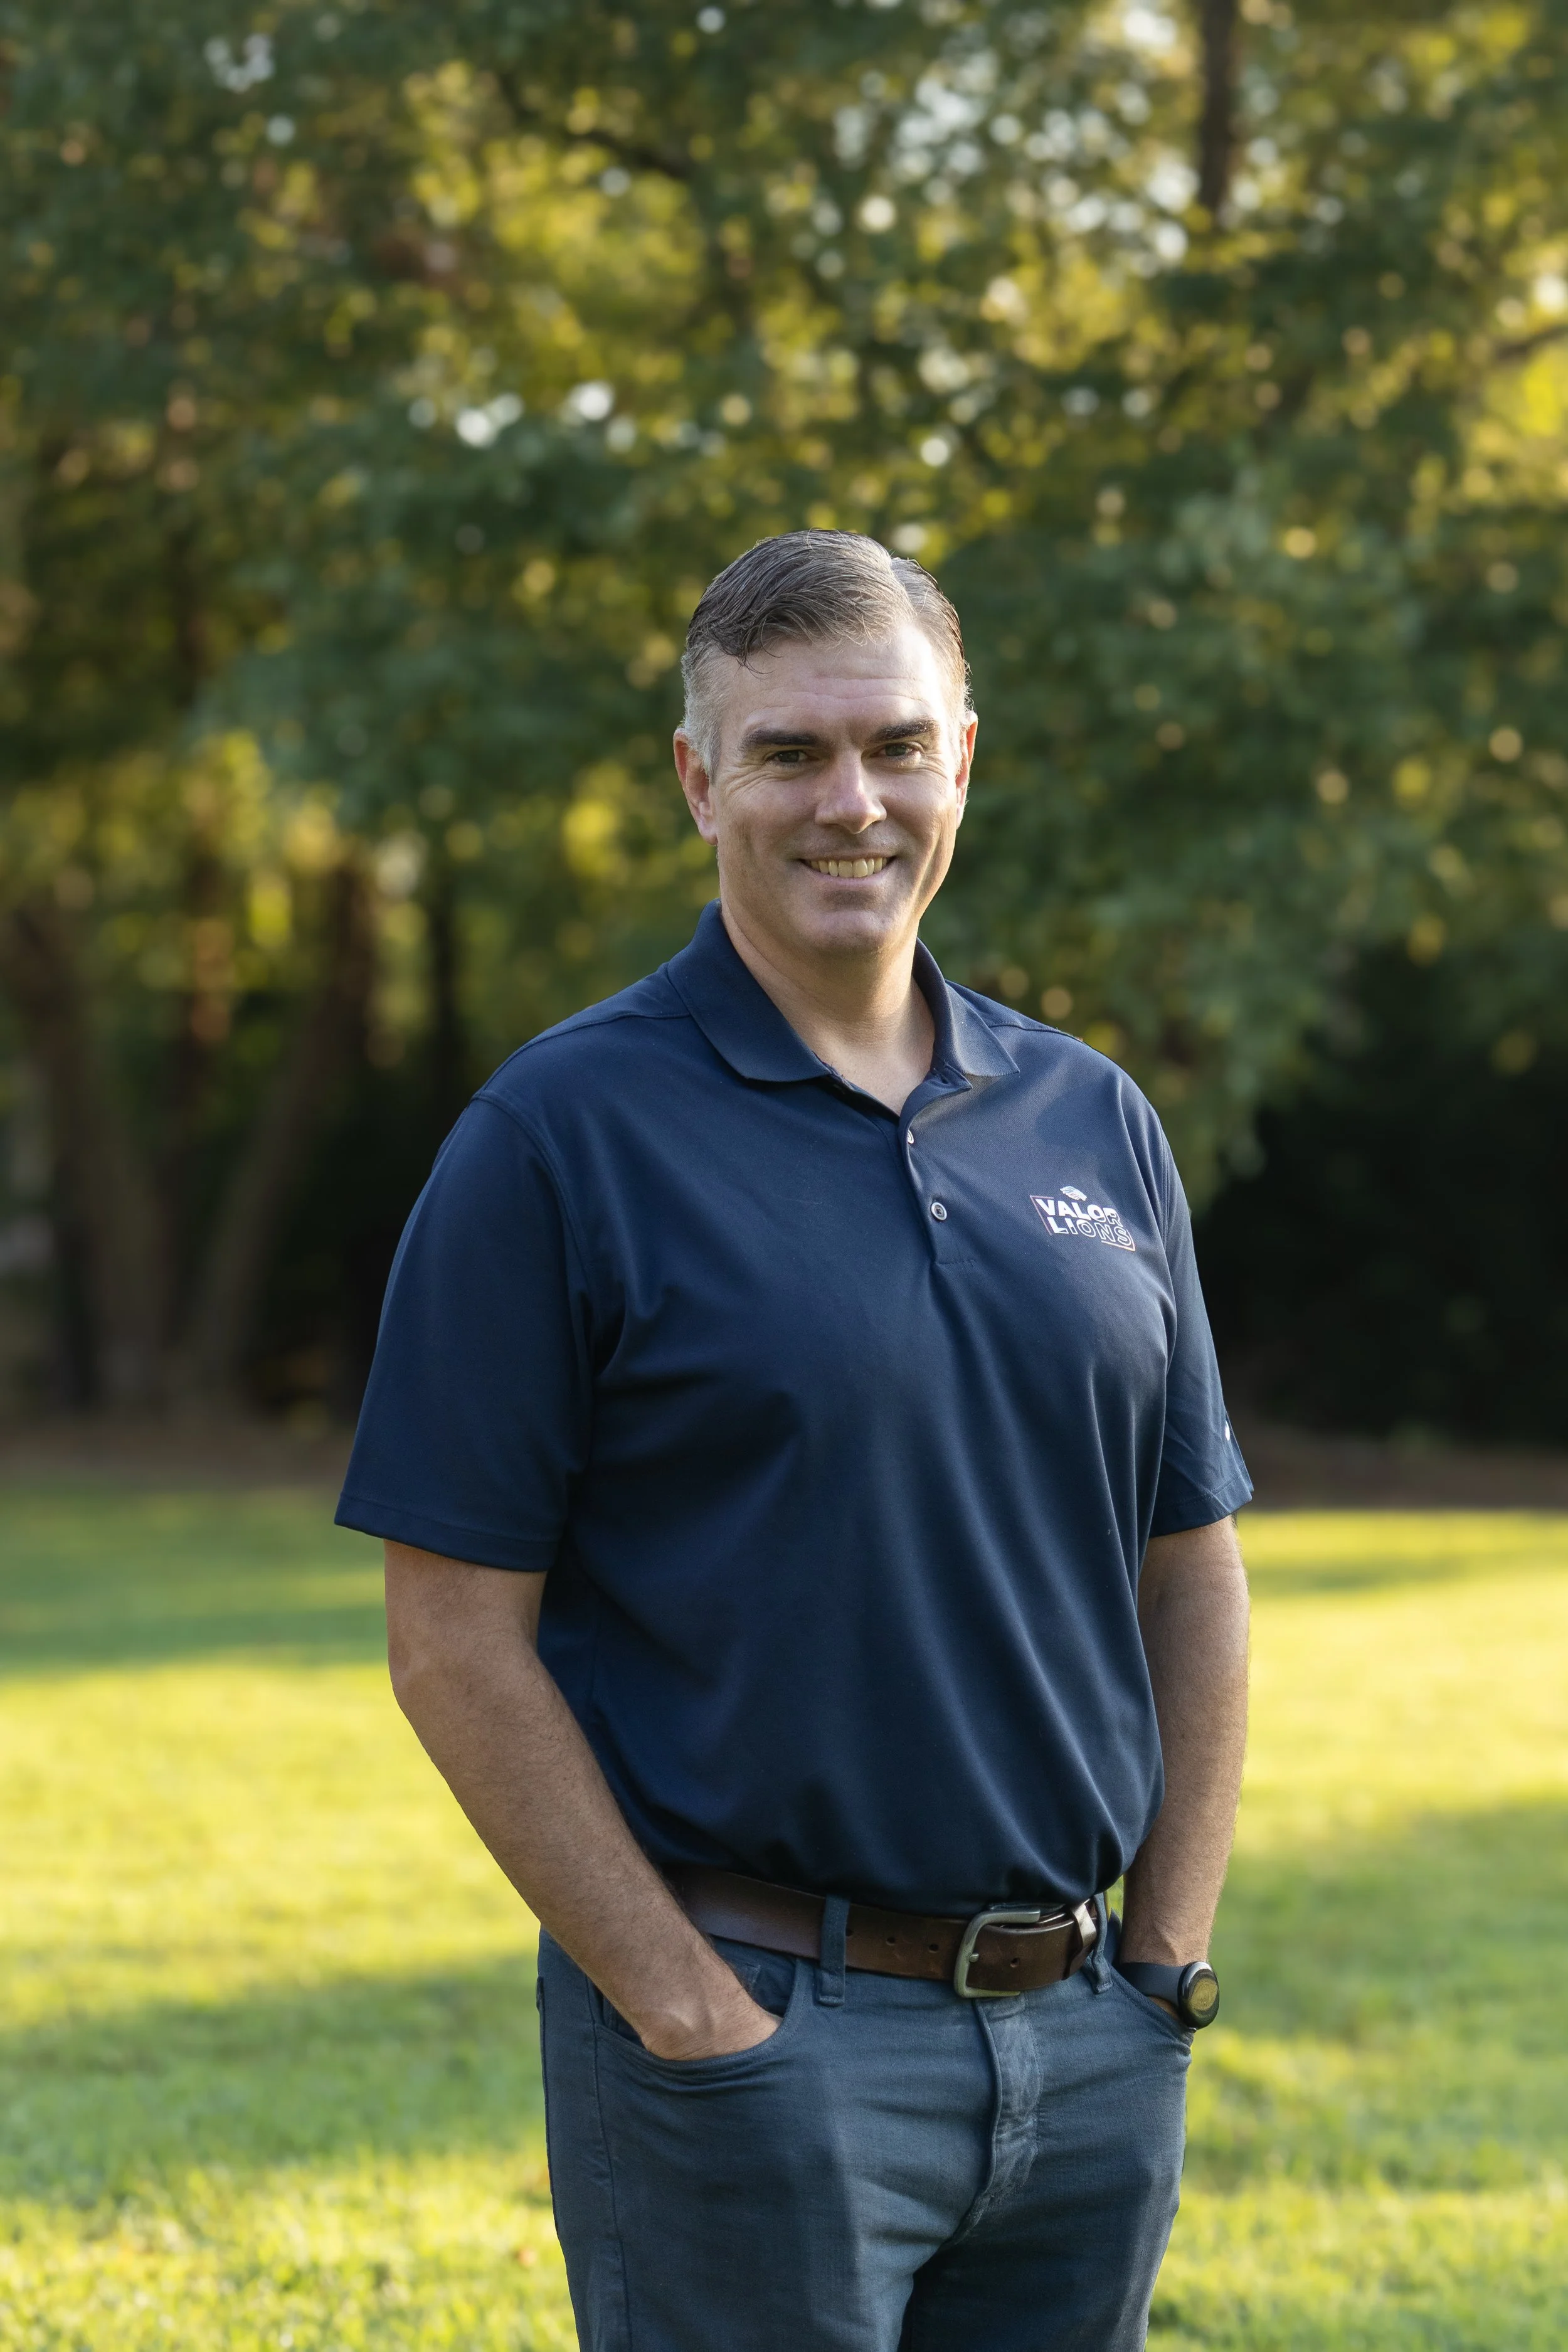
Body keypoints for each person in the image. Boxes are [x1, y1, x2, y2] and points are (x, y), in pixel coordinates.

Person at [337, 529, 1252, 2352]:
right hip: (751, 2031)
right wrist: (684, 2006)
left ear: (963, 759)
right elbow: (452, 1639)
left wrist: (1161, 1957)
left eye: (897, 746)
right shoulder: (556, 1137)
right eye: (789, 753)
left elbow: (1190, 1558)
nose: (853, 802)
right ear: (699, 781)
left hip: (1084, 2039)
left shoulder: (1090, 1119)